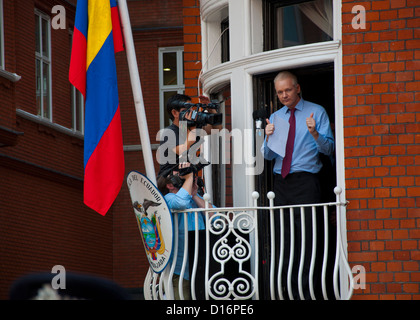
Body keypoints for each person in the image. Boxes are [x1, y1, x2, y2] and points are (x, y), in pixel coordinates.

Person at [261, 71, 335, 299]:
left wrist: (314, 133)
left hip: (306, 181)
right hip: (281, 183)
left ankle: (309, 290)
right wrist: (267, 137)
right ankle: (289, 291)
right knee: (285, 239)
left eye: (287, 90)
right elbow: (267, 156)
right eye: (279, 92)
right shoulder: (275, 117)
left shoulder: (317, 111)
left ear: (298, 88)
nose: (284, 95)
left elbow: (330, 150)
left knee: (309, 238)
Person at [157, 162, 210, 300]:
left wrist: (195, 195)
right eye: (181, 175)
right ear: (170, 184)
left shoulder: (191, 200)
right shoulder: (168, 199)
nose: (187, 177)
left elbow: (216, 217)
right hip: (179, 270)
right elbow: (180, 203)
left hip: (198, 265)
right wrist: (188, 179)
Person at [157, 93, 222, 178]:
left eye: (192, 109)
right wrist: (192, 127)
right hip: (170, 182)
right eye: (187, 109)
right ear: (175, 113)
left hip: (186, 178)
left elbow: (217, 129)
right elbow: (183, 149)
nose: (191, 112)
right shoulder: (169, 133)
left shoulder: (189, 128)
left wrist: (210, 109)